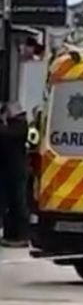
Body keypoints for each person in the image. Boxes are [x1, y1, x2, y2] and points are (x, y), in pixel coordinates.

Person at [0, 102, 29, 247]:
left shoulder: (20, 125)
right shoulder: (11, 125)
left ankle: (22, 236)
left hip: (17, 171)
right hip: (7, 170)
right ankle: (9, 235)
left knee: (18, 203)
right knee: (8, 205)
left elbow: (6, 135)